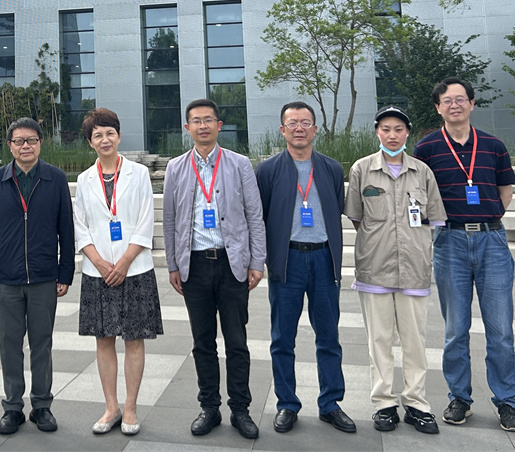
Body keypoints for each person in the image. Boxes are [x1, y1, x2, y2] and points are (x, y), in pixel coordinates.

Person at [414, 77, 515, 431]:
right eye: (447, 100)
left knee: (500, 330)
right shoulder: (426, 148)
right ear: (438, 107)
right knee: (455, 329)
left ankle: (506, 401)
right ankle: (459, 398)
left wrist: (491, 215)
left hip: (491, 241)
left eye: (461, 99)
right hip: (450, 242)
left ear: (472, 104)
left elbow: (505, 189)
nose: (455, 105)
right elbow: (418, 193)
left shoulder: (493, 146)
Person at [162, 99, 266, 439]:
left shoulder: (239, 164)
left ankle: (241, 409)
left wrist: (256, 261)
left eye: (208, 120)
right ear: (187, 128)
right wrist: (173, 263)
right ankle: (209, 407)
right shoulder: (176, 167)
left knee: (237, 341)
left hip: (231, 264)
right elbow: (169, 220)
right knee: (202, 341)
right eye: (196, 121)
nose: (203, 125)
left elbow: (254, 215)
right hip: (194, 265)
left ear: (219, 125)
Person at [346, 106, 446, 434]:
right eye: (386, 129)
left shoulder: (422, 172)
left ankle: (416, 403)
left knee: (415, 341)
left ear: (407, 133)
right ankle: (384, 403)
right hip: (375, 266)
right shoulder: (362, 169)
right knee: (379, 340)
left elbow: (434, 218)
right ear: (377, 132)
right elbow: (357, 217)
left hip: (414, 268)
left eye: (399, 129)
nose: (392, 135)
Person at [256, 101, 355, 435]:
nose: (299, 128)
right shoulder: (268, 171)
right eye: (292, 123)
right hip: (288, 261)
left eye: (305, 122)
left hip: (324, 259)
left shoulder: (332, 168)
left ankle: (330, 403)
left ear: (315, 128)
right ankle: (287, 404)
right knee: (282, 338)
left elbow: (337, 209)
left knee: (329, 337)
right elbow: (260, 217)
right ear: (282, 130)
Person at [0, 117, 75, 435]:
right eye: (18, 141)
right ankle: (12, 407)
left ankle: (42, 405)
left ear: (40, 143)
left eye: (31, 140)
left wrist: (65, 271)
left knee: (42, 343)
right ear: (10, 146)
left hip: (45, 277)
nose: (25, 146)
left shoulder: (55, 178)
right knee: (9, 344)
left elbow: (66, 230)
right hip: (7, 278)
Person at [73, 107, 163, 437]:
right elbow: (80, 226)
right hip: (98, 271)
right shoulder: (85, 179)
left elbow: (144, 221)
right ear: (90, 142)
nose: (105, 139)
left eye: (110, 132)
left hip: (134, 269)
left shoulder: (138, 174)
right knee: (104, 339)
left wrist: (124, 262)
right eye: (97, 135)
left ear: (119, 136)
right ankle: (111, 407)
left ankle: (131, 407)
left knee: (134, 339)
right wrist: (98, 262)